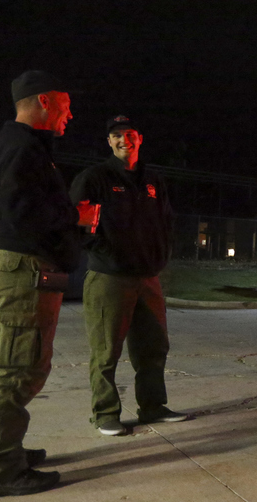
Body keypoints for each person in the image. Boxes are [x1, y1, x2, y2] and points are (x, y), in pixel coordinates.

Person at [0, 70, 97, 500]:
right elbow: (26, 213)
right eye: (65, 104)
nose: (70, 114)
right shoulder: (22, 146)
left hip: (10, 265)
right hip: (22, 267)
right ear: (43, 101)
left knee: (2, 366)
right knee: (17, 369)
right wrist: (74, 217)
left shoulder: (9, 145)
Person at [69, 115, 188, 436]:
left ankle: (152, 407)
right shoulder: (95, 177)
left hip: (148, 277)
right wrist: (108, 253)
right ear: (108, 141)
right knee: (106, 351)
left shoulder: (153, 180)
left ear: (140, 138)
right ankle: (105, 413)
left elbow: (167, 223)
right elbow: (77, 224)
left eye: (130, 134)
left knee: (153, 347)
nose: (125, 140)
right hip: (109, 277)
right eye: (117, 135)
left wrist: (160, 257)